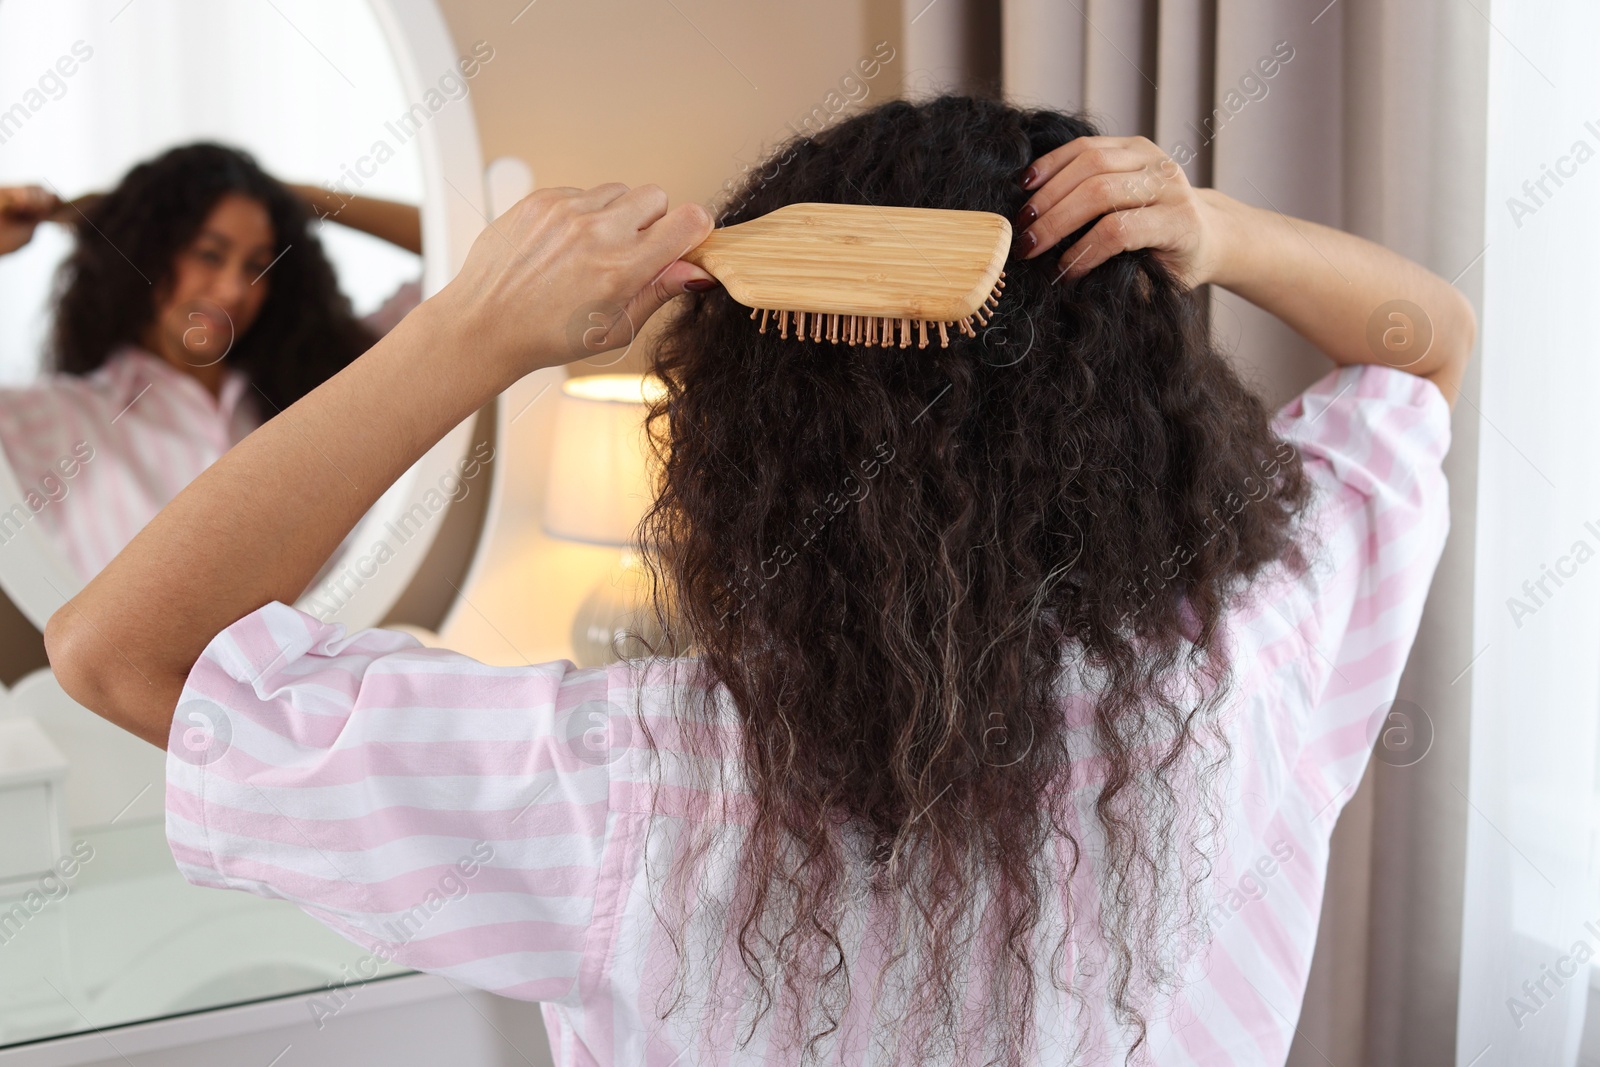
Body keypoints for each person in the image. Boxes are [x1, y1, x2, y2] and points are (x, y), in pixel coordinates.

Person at [44, 96, 1471, 1066]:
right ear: (1139, 390)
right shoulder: (1248, 656)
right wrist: (1213, 231)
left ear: (749, 433)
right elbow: (1425, 345)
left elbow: (118, 650)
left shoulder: (636, 792)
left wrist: (470, 335)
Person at [0, 142, 422, 581]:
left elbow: (472, 247)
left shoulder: (323, 389)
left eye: (257, 265)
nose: (234, 290)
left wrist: (295, 200)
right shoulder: (51, 425)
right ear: (145, 252)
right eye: (210, 255)